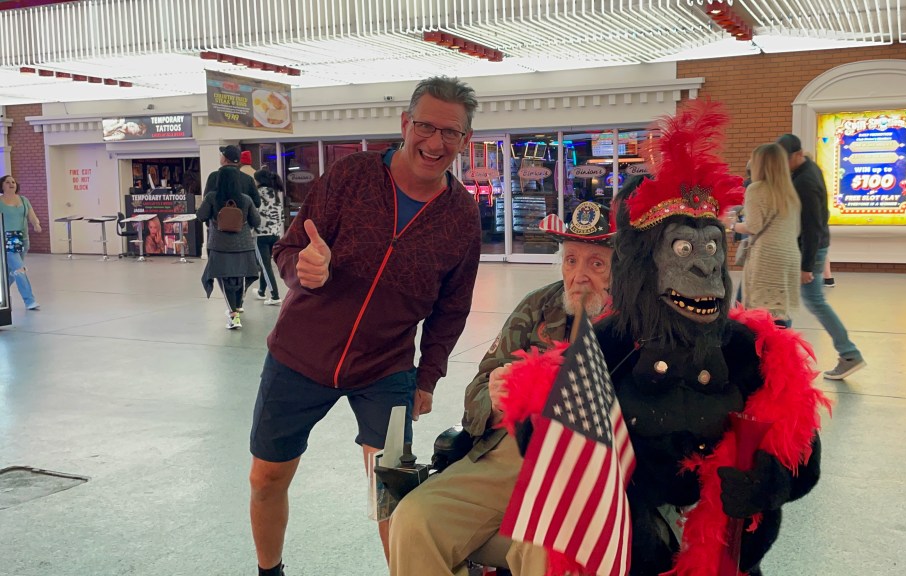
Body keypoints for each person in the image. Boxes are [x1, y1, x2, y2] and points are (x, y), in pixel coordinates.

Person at [498, 103, 827, 576]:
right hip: (634, 552)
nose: (706, 266)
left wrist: (766, 482)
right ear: (643, 264)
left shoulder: (751, 350)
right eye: (683, 248)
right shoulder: (609, 346)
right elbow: (549, 446)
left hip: (725, 556)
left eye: (713, 246)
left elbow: (801, 450)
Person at [248, 76, 482, 576]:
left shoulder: (462, 215)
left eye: (451, 132)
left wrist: (428, 375)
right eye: (426, 126)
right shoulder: (352, 175)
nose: (435, 142)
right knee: (266, 478)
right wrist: (303, 271)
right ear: (405, 123)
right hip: (298, 356)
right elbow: (289, 249)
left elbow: (452, 307)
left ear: (465, 140)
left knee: (392, 492)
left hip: (385, 367)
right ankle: (270, 571)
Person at [388, 202, 615, 576]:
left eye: (596, 264)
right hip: (507, 455)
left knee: (543, 545)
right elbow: (478, 387)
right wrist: (494, 402)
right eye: (571, 260)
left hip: (583, 471)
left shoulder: (633, 320)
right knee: (414, 520)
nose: (579, 276)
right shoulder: (539, 305)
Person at [777, 133, 867, 379]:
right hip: (809, 248)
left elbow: (813, 227)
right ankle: (782, 352)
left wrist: (806, 266)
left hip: (811, 250)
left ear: (798, 155)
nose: (783, 166)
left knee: (812, 301)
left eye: (786, 160)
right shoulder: (805, 169)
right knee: (793, 300)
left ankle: (849, 354)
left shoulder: (805, 182)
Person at [727, 143, 801, 326]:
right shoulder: (789, 191)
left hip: (767, 257)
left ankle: (753, 344)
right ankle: (781, 344)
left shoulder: (756, 189)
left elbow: (753, 226)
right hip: (789, 256)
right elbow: (797, 228)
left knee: (755, 313)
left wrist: (731, 225)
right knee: (779, 311)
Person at [197, 164, 261, 330]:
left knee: (225, 279)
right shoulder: (245, 199)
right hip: (244, 245)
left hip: (220, 246)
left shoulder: (212, 198)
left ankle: (233, 316)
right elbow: (257, 221)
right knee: (240, 278)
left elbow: (201, 216)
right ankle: (237, 309)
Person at [1, 175, 42, 310]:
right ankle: (29, 300)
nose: (11, 184)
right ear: (2, 185)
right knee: (19, 269)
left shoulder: (24, 200)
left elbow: (32, 215)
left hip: (23, 239)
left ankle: (1, 293)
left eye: (13, 182)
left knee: (12, 272)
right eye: (7, 182)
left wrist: (36, 224)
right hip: (8, 238)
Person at [253, 169, 285, 305]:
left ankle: (275, 296)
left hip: (261, 235)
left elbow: (253, 214)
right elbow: (281, 216)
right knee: (266, 265)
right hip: (275, 234)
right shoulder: (275, 194)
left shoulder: (257, 194)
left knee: (265, 266)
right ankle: (261, 291)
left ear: (259, 181)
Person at [205, 145, 260, 209]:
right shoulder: (248, 179)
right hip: (241, 214)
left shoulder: (214, 176)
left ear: (224, 159)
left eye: (221, 155)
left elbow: (206, 200)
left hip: (217, 214)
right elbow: (257, 203)